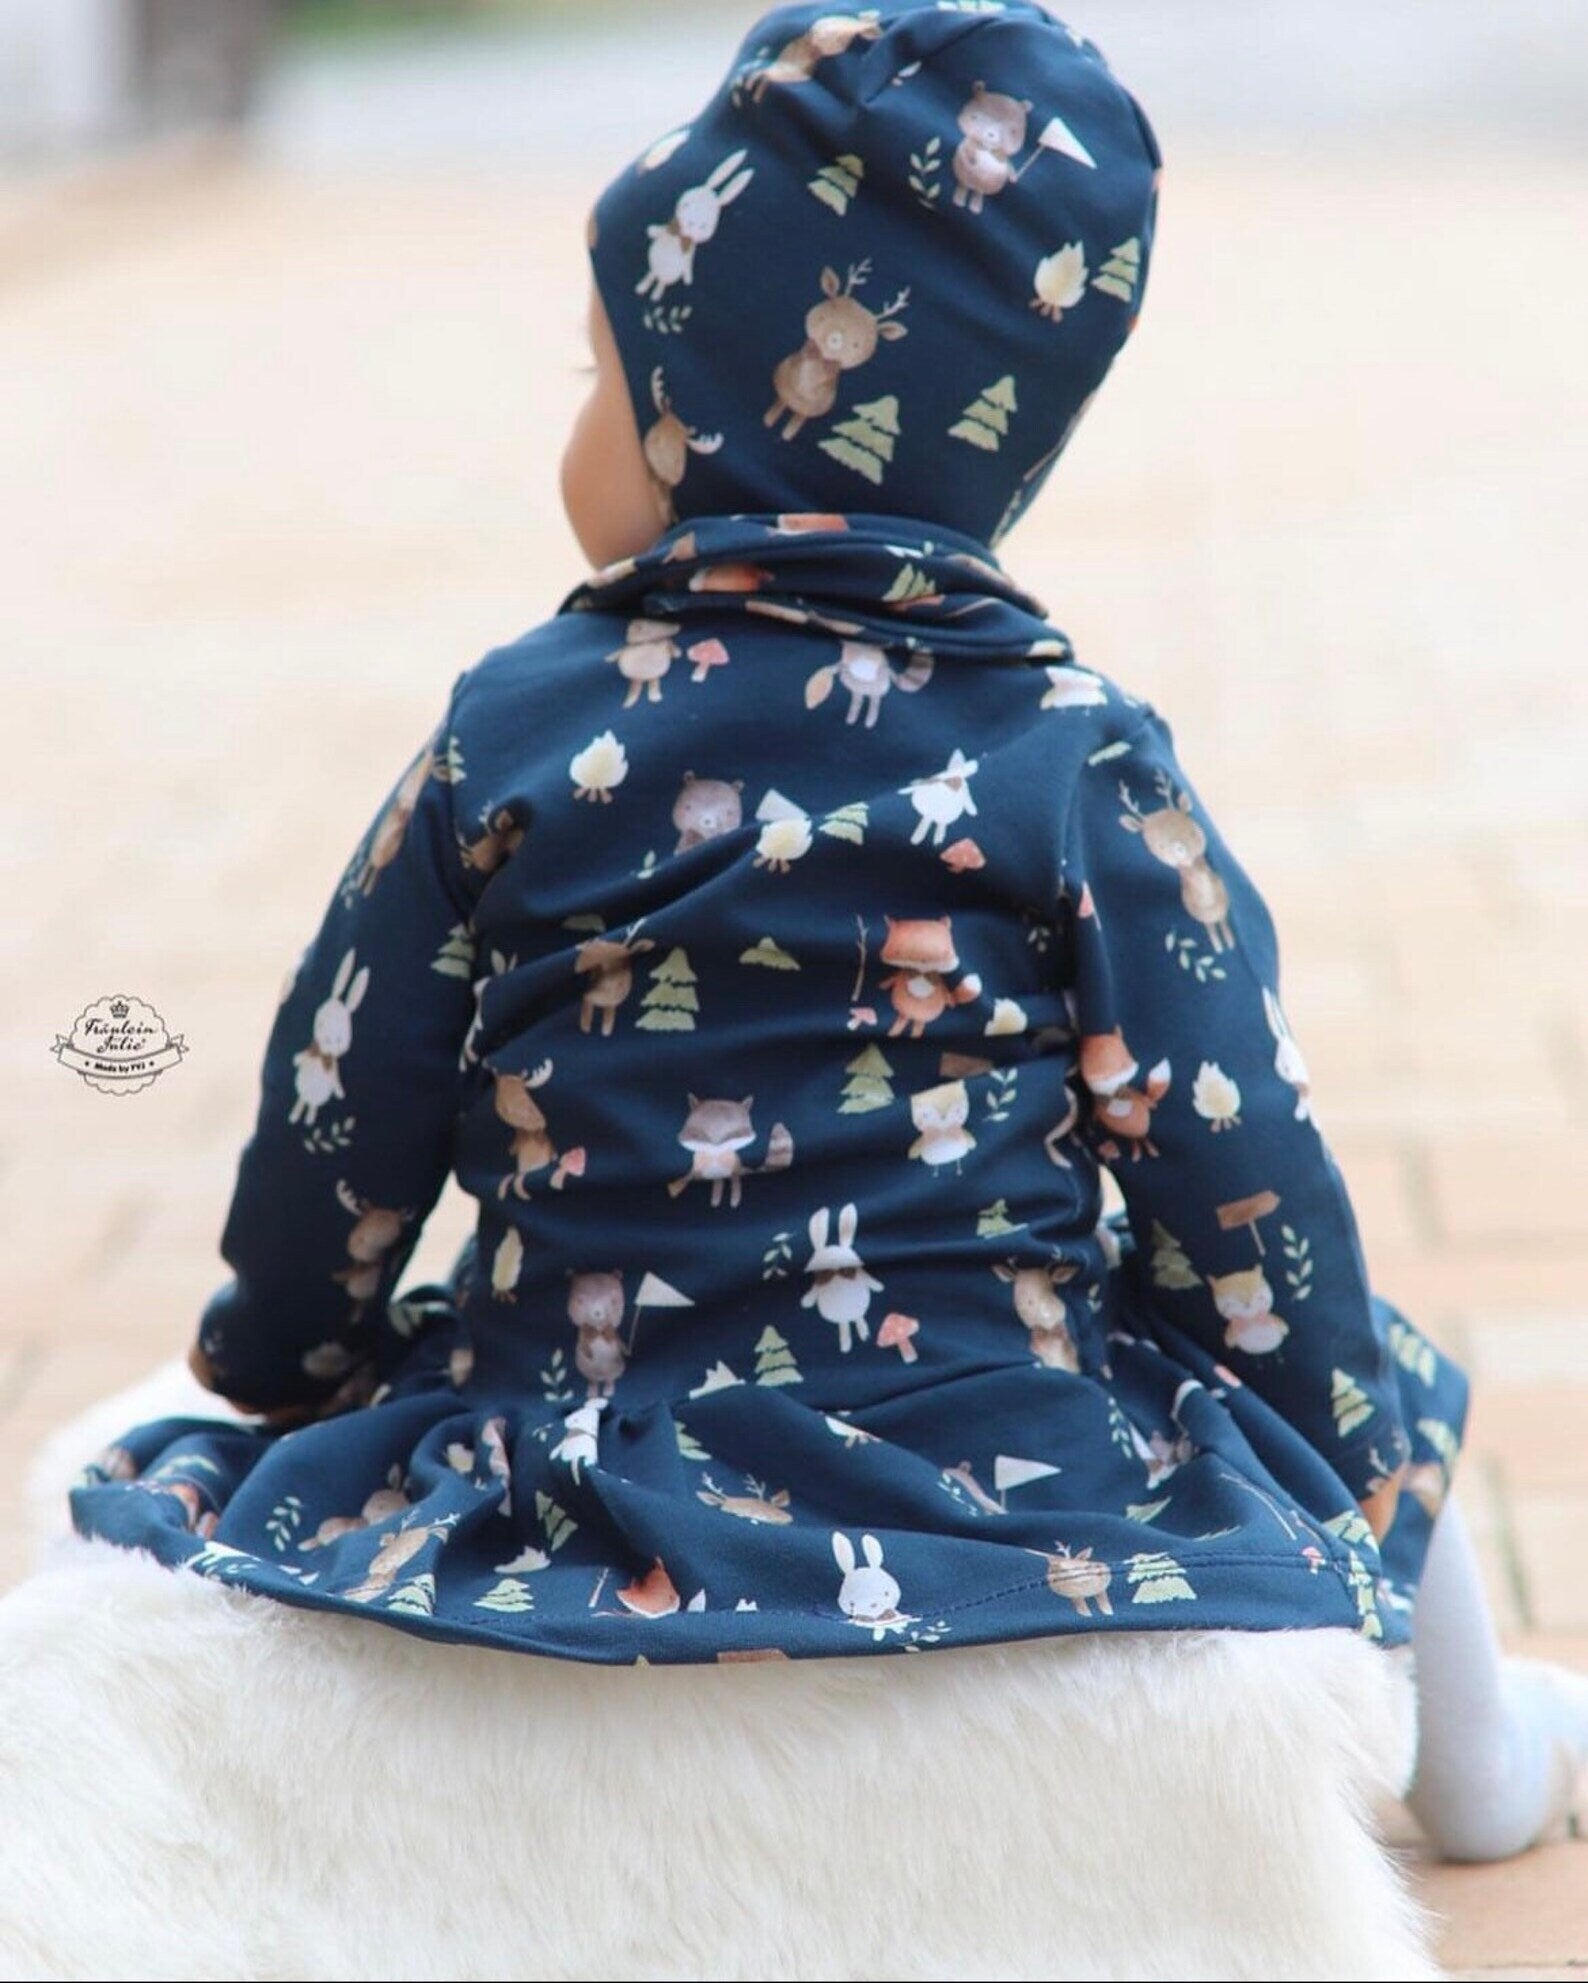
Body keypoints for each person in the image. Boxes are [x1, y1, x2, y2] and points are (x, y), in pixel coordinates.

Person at [70, 1, 1584, 1862]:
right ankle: (1478, 1759)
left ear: (708, 400)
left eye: (599, 375)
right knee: (1372, 1357)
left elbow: (342, 1102)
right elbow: (1234, 1157)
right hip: (997, 1461)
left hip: (579, 1437)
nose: (576, 425)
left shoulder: (509, 736)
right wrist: (1333, 1446)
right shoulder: (1069, 756)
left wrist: (286, 1361)